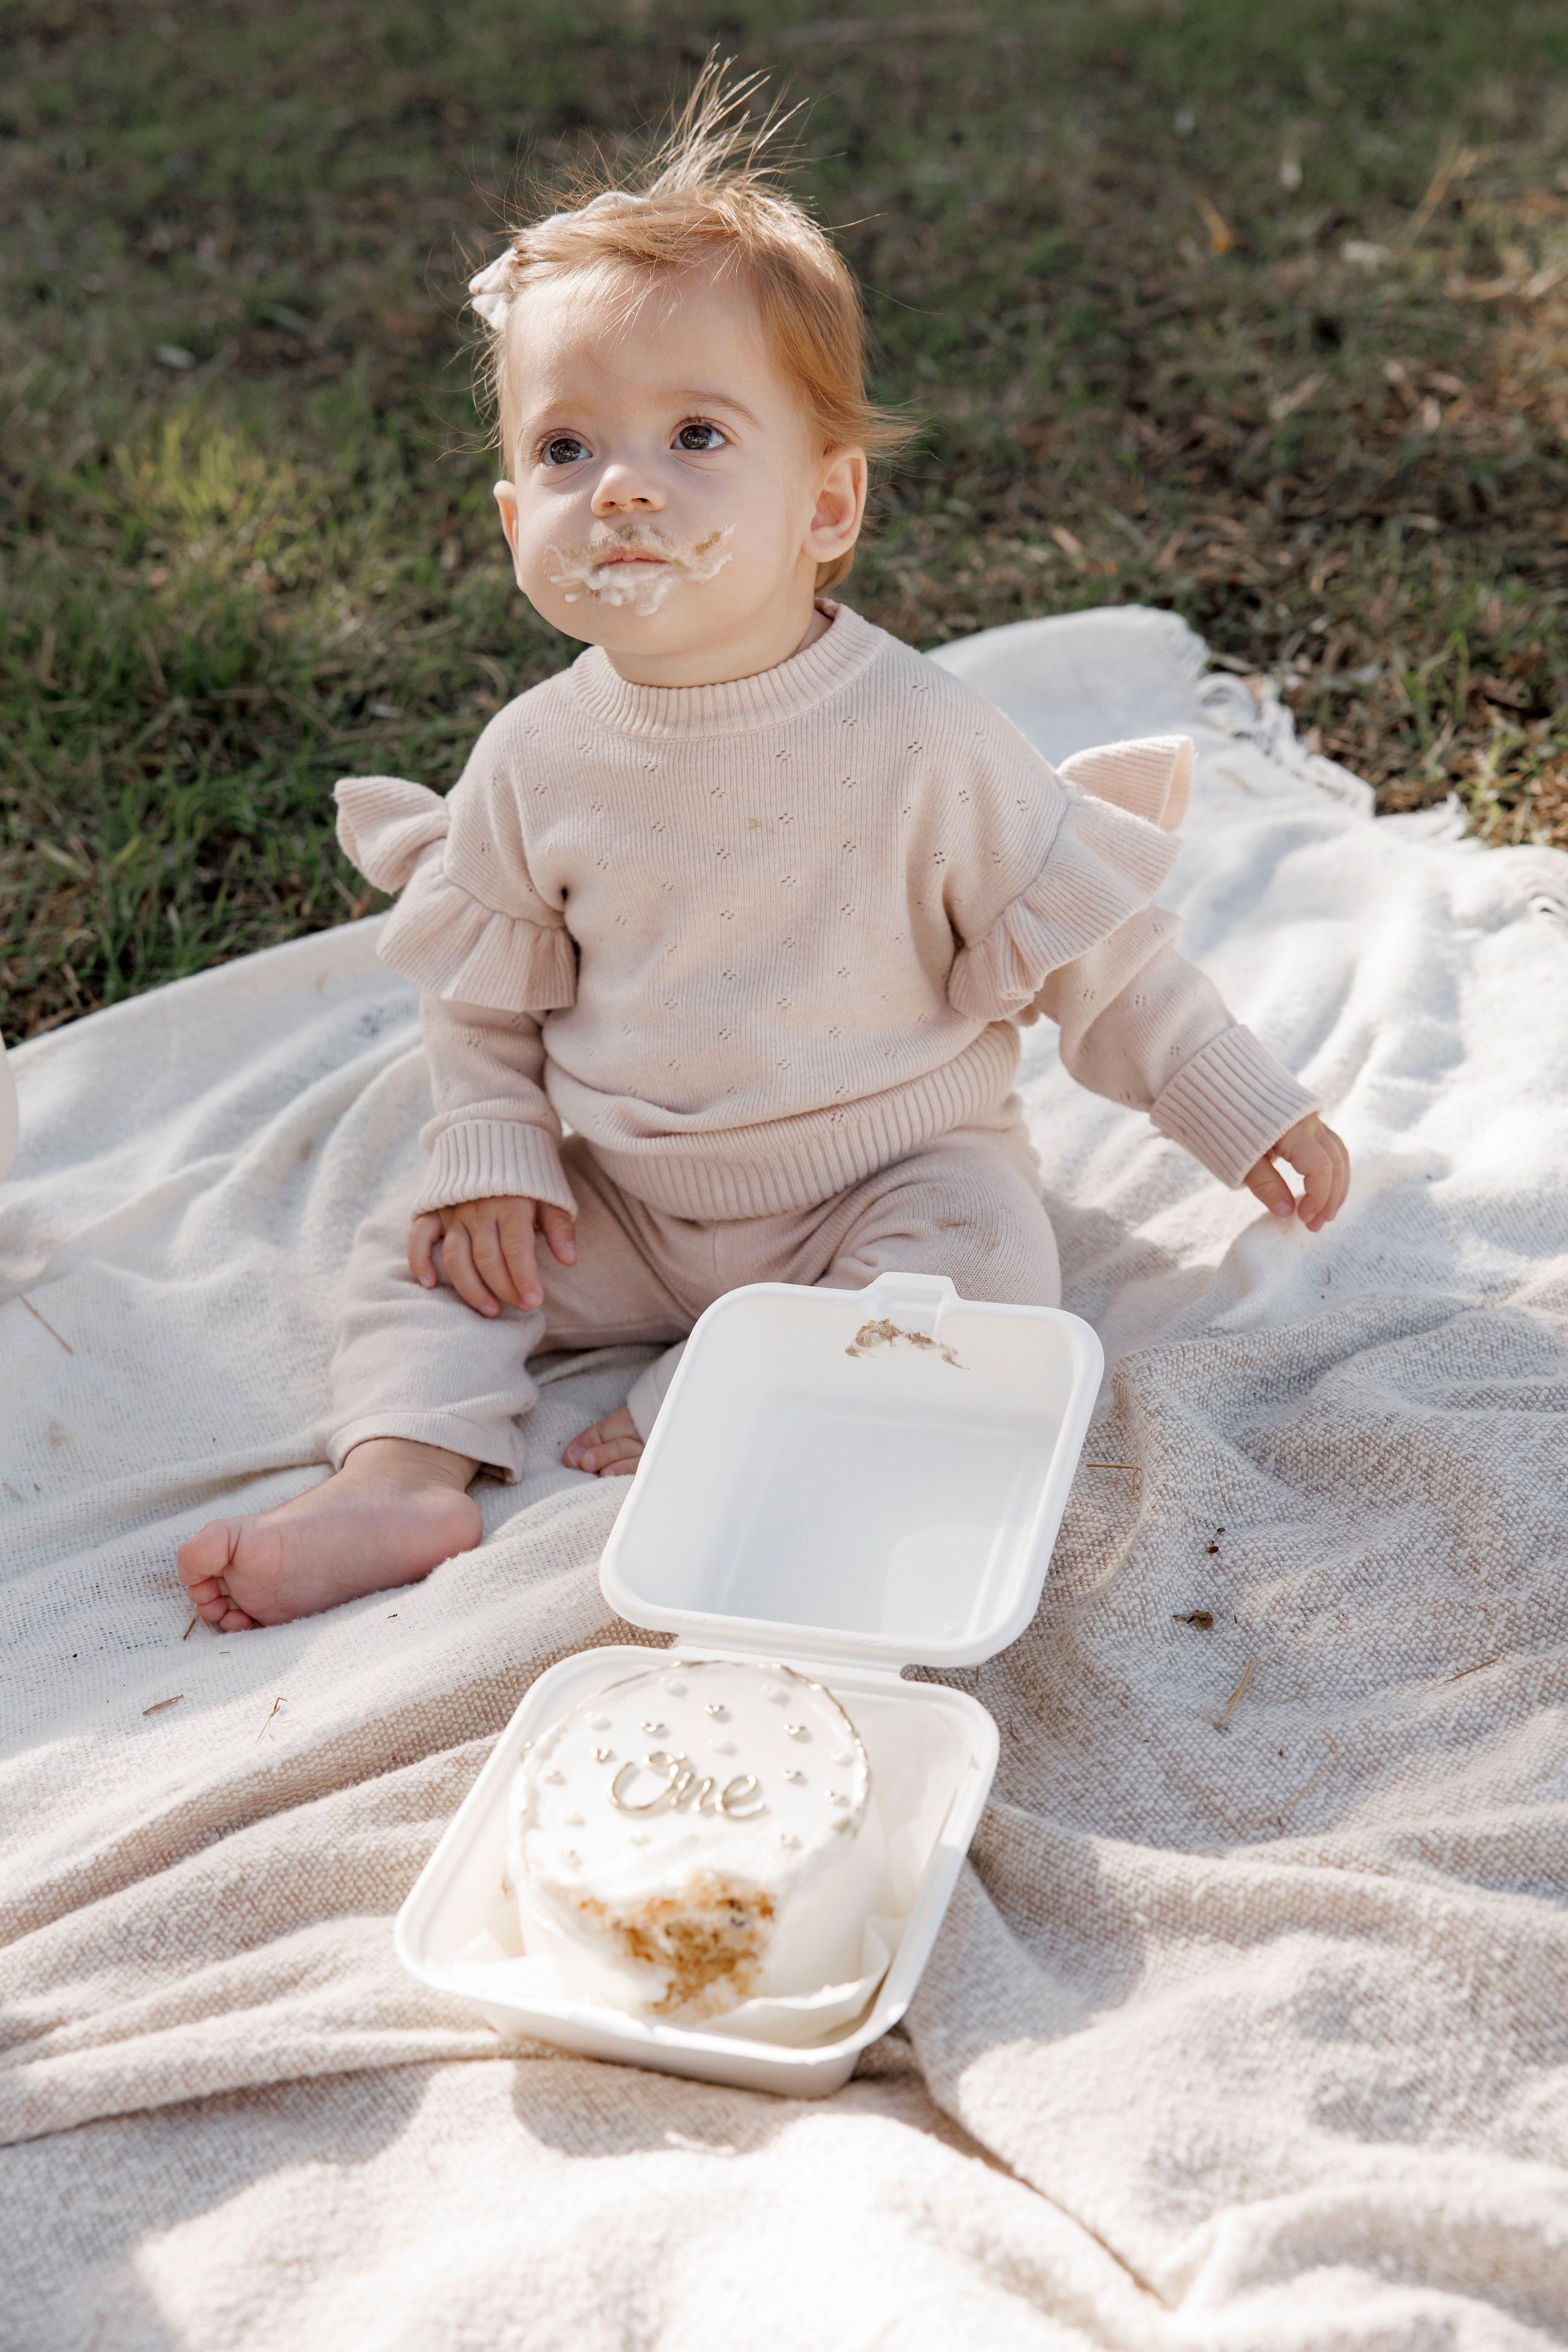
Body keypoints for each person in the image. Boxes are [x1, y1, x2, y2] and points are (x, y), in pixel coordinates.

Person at [179, 75, 1350, 1633]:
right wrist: (493, 1147)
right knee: (425, 1249)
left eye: (695, 435)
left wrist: (1233, 1099)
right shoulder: (536, 756)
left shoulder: (924, 740)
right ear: (507, 514)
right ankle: (399, 1474)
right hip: (631, 1192)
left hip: (882, 1178)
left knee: (996, 1262)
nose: (627, 487)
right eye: (567, 449)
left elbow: (1098, 961)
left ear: (828, 502)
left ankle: (726, 1393)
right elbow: (484, 997)